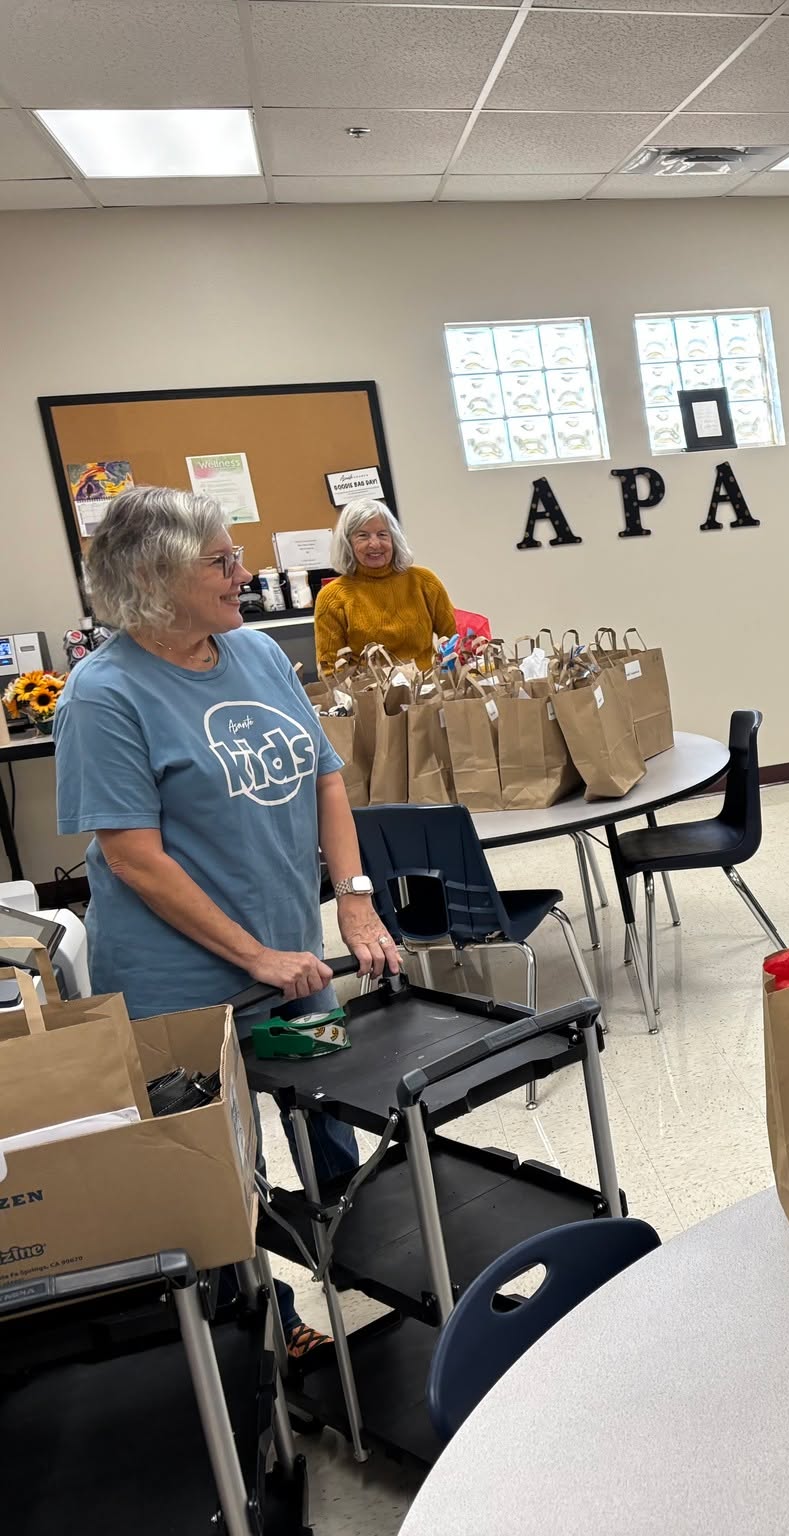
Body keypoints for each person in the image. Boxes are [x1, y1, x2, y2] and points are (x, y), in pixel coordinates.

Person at [55, 485, 406, 1360]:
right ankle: (267, 1334)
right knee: (221, 1171)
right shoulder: (102, 697)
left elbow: (326, 776)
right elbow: (135, 858)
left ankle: (381, 1277)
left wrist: (353, 898)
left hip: (295, 960)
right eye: (221, 562)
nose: (243, 574)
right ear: (155, 580)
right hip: (180, 984)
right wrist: (256, 955)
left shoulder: (255, 652)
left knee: (327, 1123)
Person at [313, 497, 455, 674]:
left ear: (394, 539)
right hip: (371, 695)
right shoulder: (332, 597)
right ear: (347, 542)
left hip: (430, 691)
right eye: (363, 535)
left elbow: (452, 642)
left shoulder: (424, 581)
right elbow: (330, 669)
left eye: (382, 534)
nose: (374, 544)